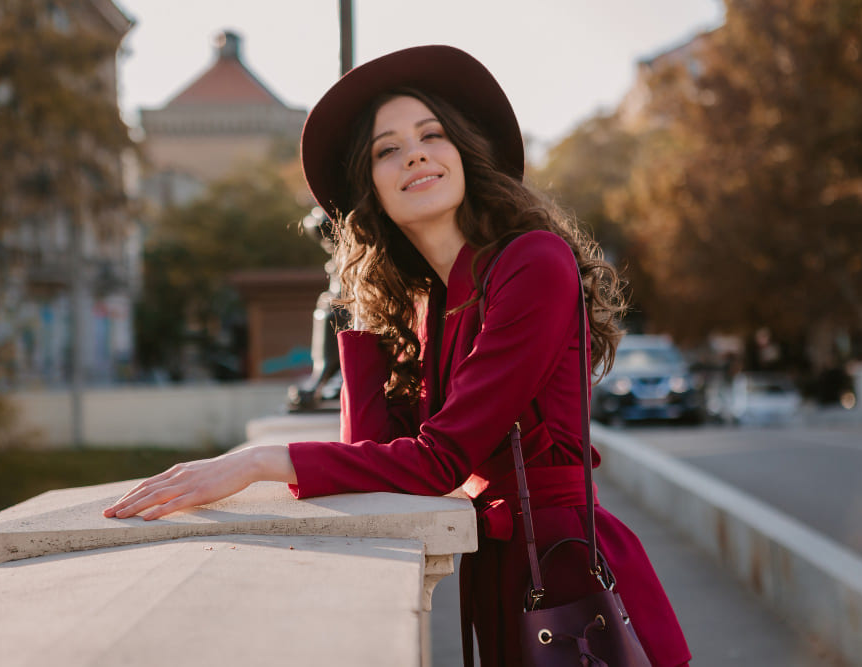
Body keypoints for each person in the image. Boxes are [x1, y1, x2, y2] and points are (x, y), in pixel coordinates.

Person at [104, 45, 691, 667]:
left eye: (431, 135)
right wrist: (361, 310)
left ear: (464, 154)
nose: (414, 152)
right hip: (503, 579)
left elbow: (440, 460)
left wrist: (258, 463)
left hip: (570, 584)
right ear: (371, 191)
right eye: (388, 149)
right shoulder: (427, 306)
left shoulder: (532, 261)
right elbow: (371, 459)